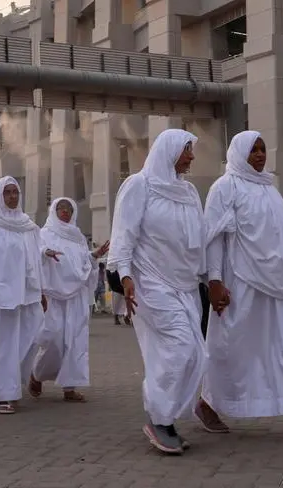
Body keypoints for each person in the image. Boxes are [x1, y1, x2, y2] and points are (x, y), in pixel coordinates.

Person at [107, 129, 206, 455]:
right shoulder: (140, 185)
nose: (191, 156)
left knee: (194, 353)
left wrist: (209, 277)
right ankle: (159, 420)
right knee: (179, 345)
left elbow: (198, 239)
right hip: (150, 283)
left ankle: (166, 417)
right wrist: (124, 276)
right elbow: (124, 234)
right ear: (169, 150)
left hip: (185, 286)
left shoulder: (189, 191)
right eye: (186, 149)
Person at [196, 131, 283, 438]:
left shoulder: (270, 189)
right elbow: (213, 238)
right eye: (254, 150)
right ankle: (208, 403)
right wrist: (214, 281)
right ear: (238, 153)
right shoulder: (225, 187)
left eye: (263, 149)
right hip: (239, 283)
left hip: (279, 285)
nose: (260, 155)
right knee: (233, 347)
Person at [0, 176, 56, 415]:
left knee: (30, 339)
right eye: (7, 193)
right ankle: (2, 394)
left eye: (15, 192)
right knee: (3, 346)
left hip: (27, 295)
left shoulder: (28, 227)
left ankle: (9, 383)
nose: (12, 197)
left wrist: (42, 291)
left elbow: (36, 261)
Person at [29, 197, 108, 403]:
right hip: (54, 295)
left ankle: (70, 387)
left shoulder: (78, 237)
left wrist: (94, 255)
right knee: (53, 339)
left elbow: (83, 262)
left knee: (75, 342)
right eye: (61, 208)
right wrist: (45, 252)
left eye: (68, 208)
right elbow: (34, 254)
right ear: (54, 210)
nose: (65, 211)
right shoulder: (44, 233)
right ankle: (37, 374)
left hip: (77, 297)